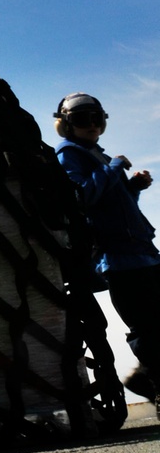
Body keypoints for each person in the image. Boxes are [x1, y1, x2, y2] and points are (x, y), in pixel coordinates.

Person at [54, 92, 160, 406]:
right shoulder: (69, 153)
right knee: (146, 325)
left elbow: (114, 206)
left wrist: (132, 188)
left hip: (142, 250)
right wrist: (114, 169)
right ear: (67, 124)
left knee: (156, 321)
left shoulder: (94, 153)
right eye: (82, 119)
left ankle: (144, 377)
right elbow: (82, 198)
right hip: (118, 257)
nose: (92, 125)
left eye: (96, 118)